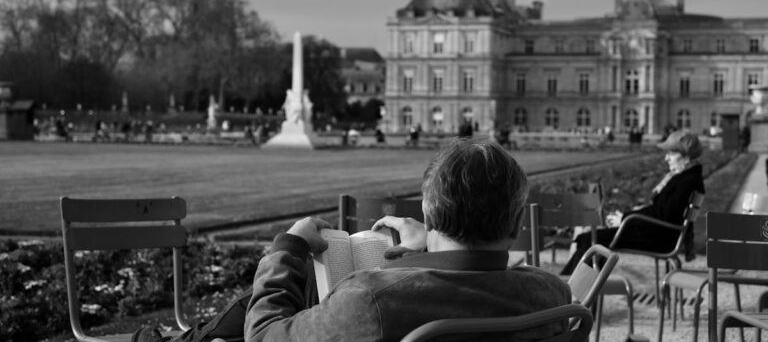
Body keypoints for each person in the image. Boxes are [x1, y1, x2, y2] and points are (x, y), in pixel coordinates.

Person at [132, 139, 571, 342]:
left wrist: (287, 249)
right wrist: (430, 249)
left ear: (431, 213)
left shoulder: (370, 302)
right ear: (515, 227)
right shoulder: (553, 296)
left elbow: (264, 335)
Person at [560, 130, 705, 275]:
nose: (666, 158)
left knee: (592, 239)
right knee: (593, 238)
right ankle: (574, 288)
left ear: (686, 156)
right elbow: (663, 211)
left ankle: (567, 289)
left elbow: (663, 213)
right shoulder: (688, 177)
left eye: (672, 153)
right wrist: (627, 215)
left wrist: (625, 218)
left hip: (660, 238)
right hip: (661, 233)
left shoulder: (686, 181)